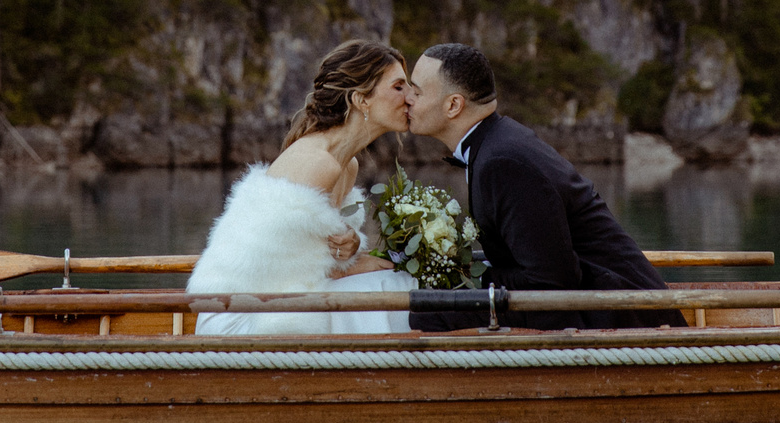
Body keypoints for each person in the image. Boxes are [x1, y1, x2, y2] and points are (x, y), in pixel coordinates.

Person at [403, 41, 680, 331]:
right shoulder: (497, 144)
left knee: (423, 314)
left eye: (417, 91)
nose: (408, 98)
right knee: (429, 301)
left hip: (624, 319)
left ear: (453, 105)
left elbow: (550, 282)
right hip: (594, 301)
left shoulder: (504, 161)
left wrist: (464, 279)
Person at [186, 38, 420, 334]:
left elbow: (305, 256)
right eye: (399, 87)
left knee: (397, 280)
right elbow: (286, 272)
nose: (410, 97)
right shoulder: (318, 163)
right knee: (396, 284)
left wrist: (355, 250)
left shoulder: (347, 165)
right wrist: (362, 261)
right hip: (240, 317)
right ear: (361, 100)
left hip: (276, 301)